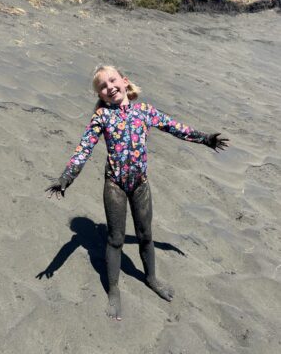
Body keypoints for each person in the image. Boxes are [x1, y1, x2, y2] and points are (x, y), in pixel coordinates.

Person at [45, 65, 229, 321]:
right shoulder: (101, 117)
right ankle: (113, 290)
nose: (109, 87)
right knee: (115, 239)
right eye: (102, 86)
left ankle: (151, 278)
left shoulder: (144, 111)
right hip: (115, 186)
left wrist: (205, 139)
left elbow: (174, 126)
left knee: (145, 235)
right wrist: (66, 178)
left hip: (141, 184)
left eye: (112, 81)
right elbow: (84, 149)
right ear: (100, 93)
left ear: (124, 81)